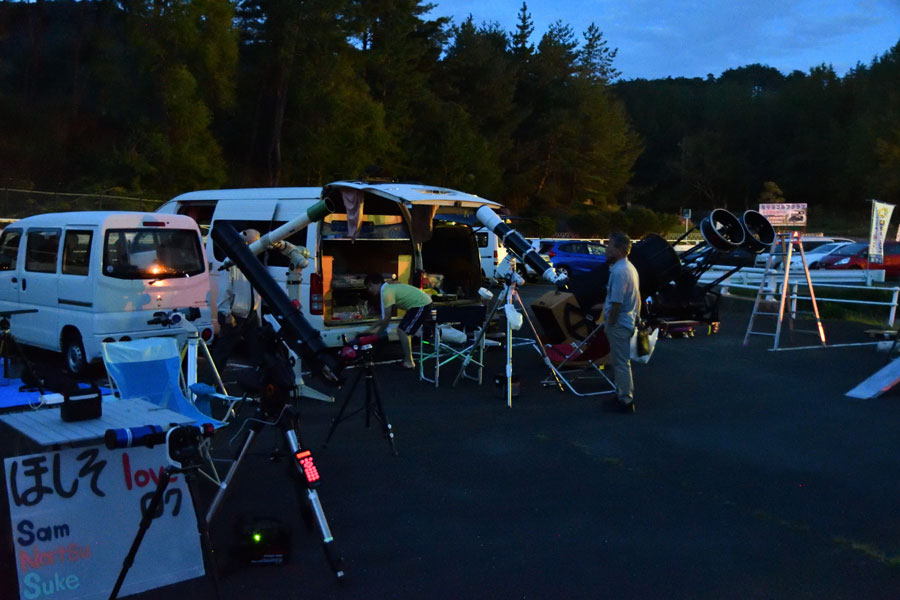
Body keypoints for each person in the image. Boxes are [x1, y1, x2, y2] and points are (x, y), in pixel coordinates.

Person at [212, 229, 263, 374]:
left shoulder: (252, 260)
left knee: (257, 350)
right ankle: (211, 381)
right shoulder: (230, 262)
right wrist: (226, 313)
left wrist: (257, 314)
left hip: (250, 313)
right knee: (223, 351)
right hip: (235, 314)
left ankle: (259, 380)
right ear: (246, 243)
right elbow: (224, 289)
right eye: (255, 243)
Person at [602, 232, 641, 414]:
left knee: (621, 363)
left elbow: (616, 302)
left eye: (610, 245)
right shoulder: (630, 268)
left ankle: (625, 400)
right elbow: (637, 297)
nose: (606, 248)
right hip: (627, 321)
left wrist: (610, 324)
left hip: (619, 324)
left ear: (619, 250)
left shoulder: (619, 272)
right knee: (620, 362)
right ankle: (620, 394)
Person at [364, 274, 433, 369]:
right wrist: (370, 330)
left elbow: (387, 318)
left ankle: (409, 362)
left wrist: (378, 333)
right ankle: (408, 359)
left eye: (370, 286)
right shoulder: (387, 288)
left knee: (402, 331)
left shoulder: (386, 292)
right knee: (403, 330)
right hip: (418, 305)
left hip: (422, 304)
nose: (369, 290)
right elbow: (384, 318)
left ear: (376, 284)